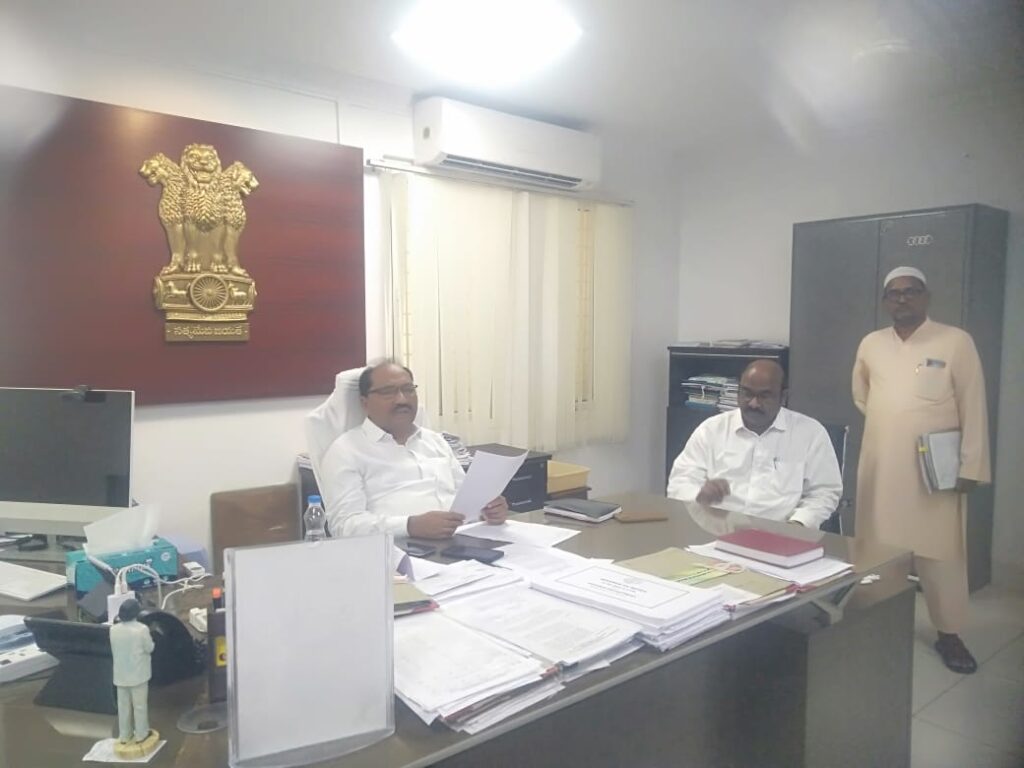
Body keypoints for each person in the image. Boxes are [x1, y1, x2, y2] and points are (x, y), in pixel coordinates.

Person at [853, 266, 990, 674]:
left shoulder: (956, 341)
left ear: (926, 297)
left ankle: (950, 634)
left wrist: (971, 464)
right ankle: (878, 623)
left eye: (911, 291)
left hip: (935, 472)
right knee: (878, 549)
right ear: (885, 301)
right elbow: (862, 395)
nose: (903, 298)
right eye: (894, 293)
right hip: (881, 468)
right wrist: (895, 422)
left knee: (941, 553)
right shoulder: (871, 344)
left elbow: (973, 404)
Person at [320, 361, 509, 538]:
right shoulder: (346, 451)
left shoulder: (435, 441)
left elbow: (464, 499)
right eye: (388, 392)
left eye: (408, 390)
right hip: (397, 552)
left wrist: (486, 510)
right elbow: (344, 526)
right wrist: (410, 526)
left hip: (462, 540)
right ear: (365, 402)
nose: (402, 399)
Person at [667, 359, 842, 528]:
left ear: (783, 397)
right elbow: (680, 481)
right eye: (747, 393)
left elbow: (824, 493)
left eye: (764, 396)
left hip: (781, 533)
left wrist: (798, 524)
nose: (753, 403)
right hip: (716, 531)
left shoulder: (810, 433)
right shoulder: (711, 430)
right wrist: (699, 495)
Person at [108, 598, 156, 749]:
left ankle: (124, 735)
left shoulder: (113, 630)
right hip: (138, 675)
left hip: (120, 675)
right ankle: (141, 734)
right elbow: (149, 648)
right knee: (139, 706)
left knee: (123, 707)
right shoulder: (141, 629)